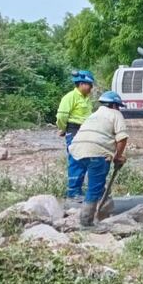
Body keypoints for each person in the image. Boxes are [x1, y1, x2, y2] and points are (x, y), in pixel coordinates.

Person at [68, 91, 128, 226]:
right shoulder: (115, 114)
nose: (118, 109)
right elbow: (122, 138)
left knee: (98, 185)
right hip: (96, 152)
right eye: (117, 106)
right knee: (94, 188)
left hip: (76, 151)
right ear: (113, 105)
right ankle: (86, 222)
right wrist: (118, 157)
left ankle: (101, 213)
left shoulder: (93, 115)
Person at [57, 70, 94, 203]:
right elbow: (61, 116)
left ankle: (78, 191)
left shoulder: (86, 99)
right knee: (76, 160)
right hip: (74, 130)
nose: (91, 88)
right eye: (89, 85)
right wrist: (63, 128)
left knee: (85, 160)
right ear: (82, 84)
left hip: (85, 131)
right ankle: (72, 192)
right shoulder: (70, 97)